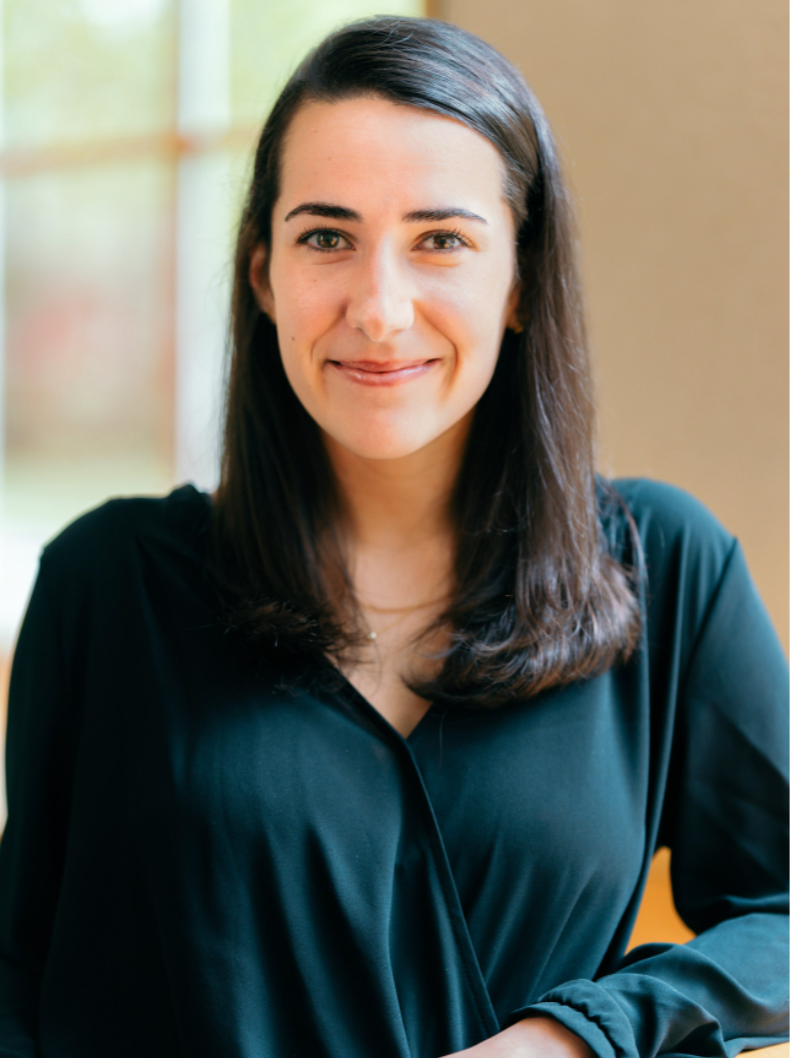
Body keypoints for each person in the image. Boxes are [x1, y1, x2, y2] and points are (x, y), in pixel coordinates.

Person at [0, 16, 787, 1058]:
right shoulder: (108, 583)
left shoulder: (665, 566)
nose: (378, 307)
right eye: (325, 236)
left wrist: (572, 1035)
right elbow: (25, 977)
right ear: (261, 274)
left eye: (440, 240)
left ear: (516, 281)